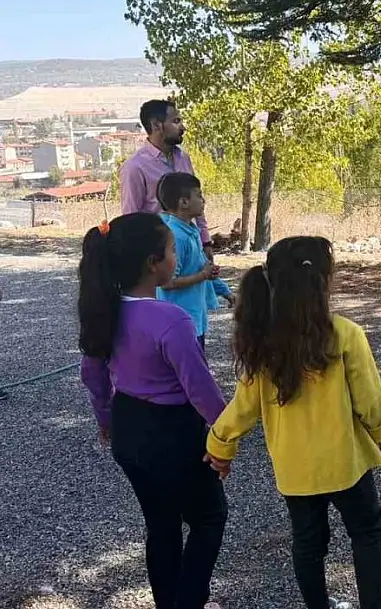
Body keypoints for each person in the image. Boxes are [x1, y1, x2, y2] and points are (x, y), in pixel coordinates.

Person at [205, 236, 381, 609]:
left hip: (295, 471)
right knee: (366, 531)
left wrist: (219, 447)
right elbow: (370, 399)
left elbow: (243, 408)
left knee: (308, 543)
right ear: (324, 282)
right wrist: (380, 434)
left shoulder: (264, 342)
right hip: (346, 464)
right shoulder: (345, 334)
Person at [78, 212, 227, 609]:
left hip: (128, 428)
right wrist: (226, 434)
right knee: (208, 517)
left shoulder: (105, 312)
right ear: (152, 262)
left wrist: (105, 421)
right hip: (172, 434)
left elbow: (92, 375)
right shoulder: (171, 320)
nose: (177, 257)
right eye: (173, 250)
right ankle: (189, 601)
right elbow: (200, 389)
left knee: (160, 524)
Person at [120, 99, 213, 259]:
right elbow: (131, 219)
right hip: (159, 253)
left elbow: (196, 199)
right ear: (156, 125)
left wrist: (205, 242)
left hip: (192, 246)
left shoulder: (183, 158)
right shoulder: (135, 167)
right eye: (176, 121)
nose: (183, 127)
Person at [156, 172, 233, 352]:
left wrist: (224, 290)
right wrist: (202, 276)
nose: (203, 200)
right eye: (199, 195)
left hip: (195, 319)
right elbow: (167, 283)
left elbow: (202, 267)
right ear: (183, 202)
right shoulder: (176, 236)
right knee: (188, 373)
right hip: (179, 323)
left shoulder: (192, 231)